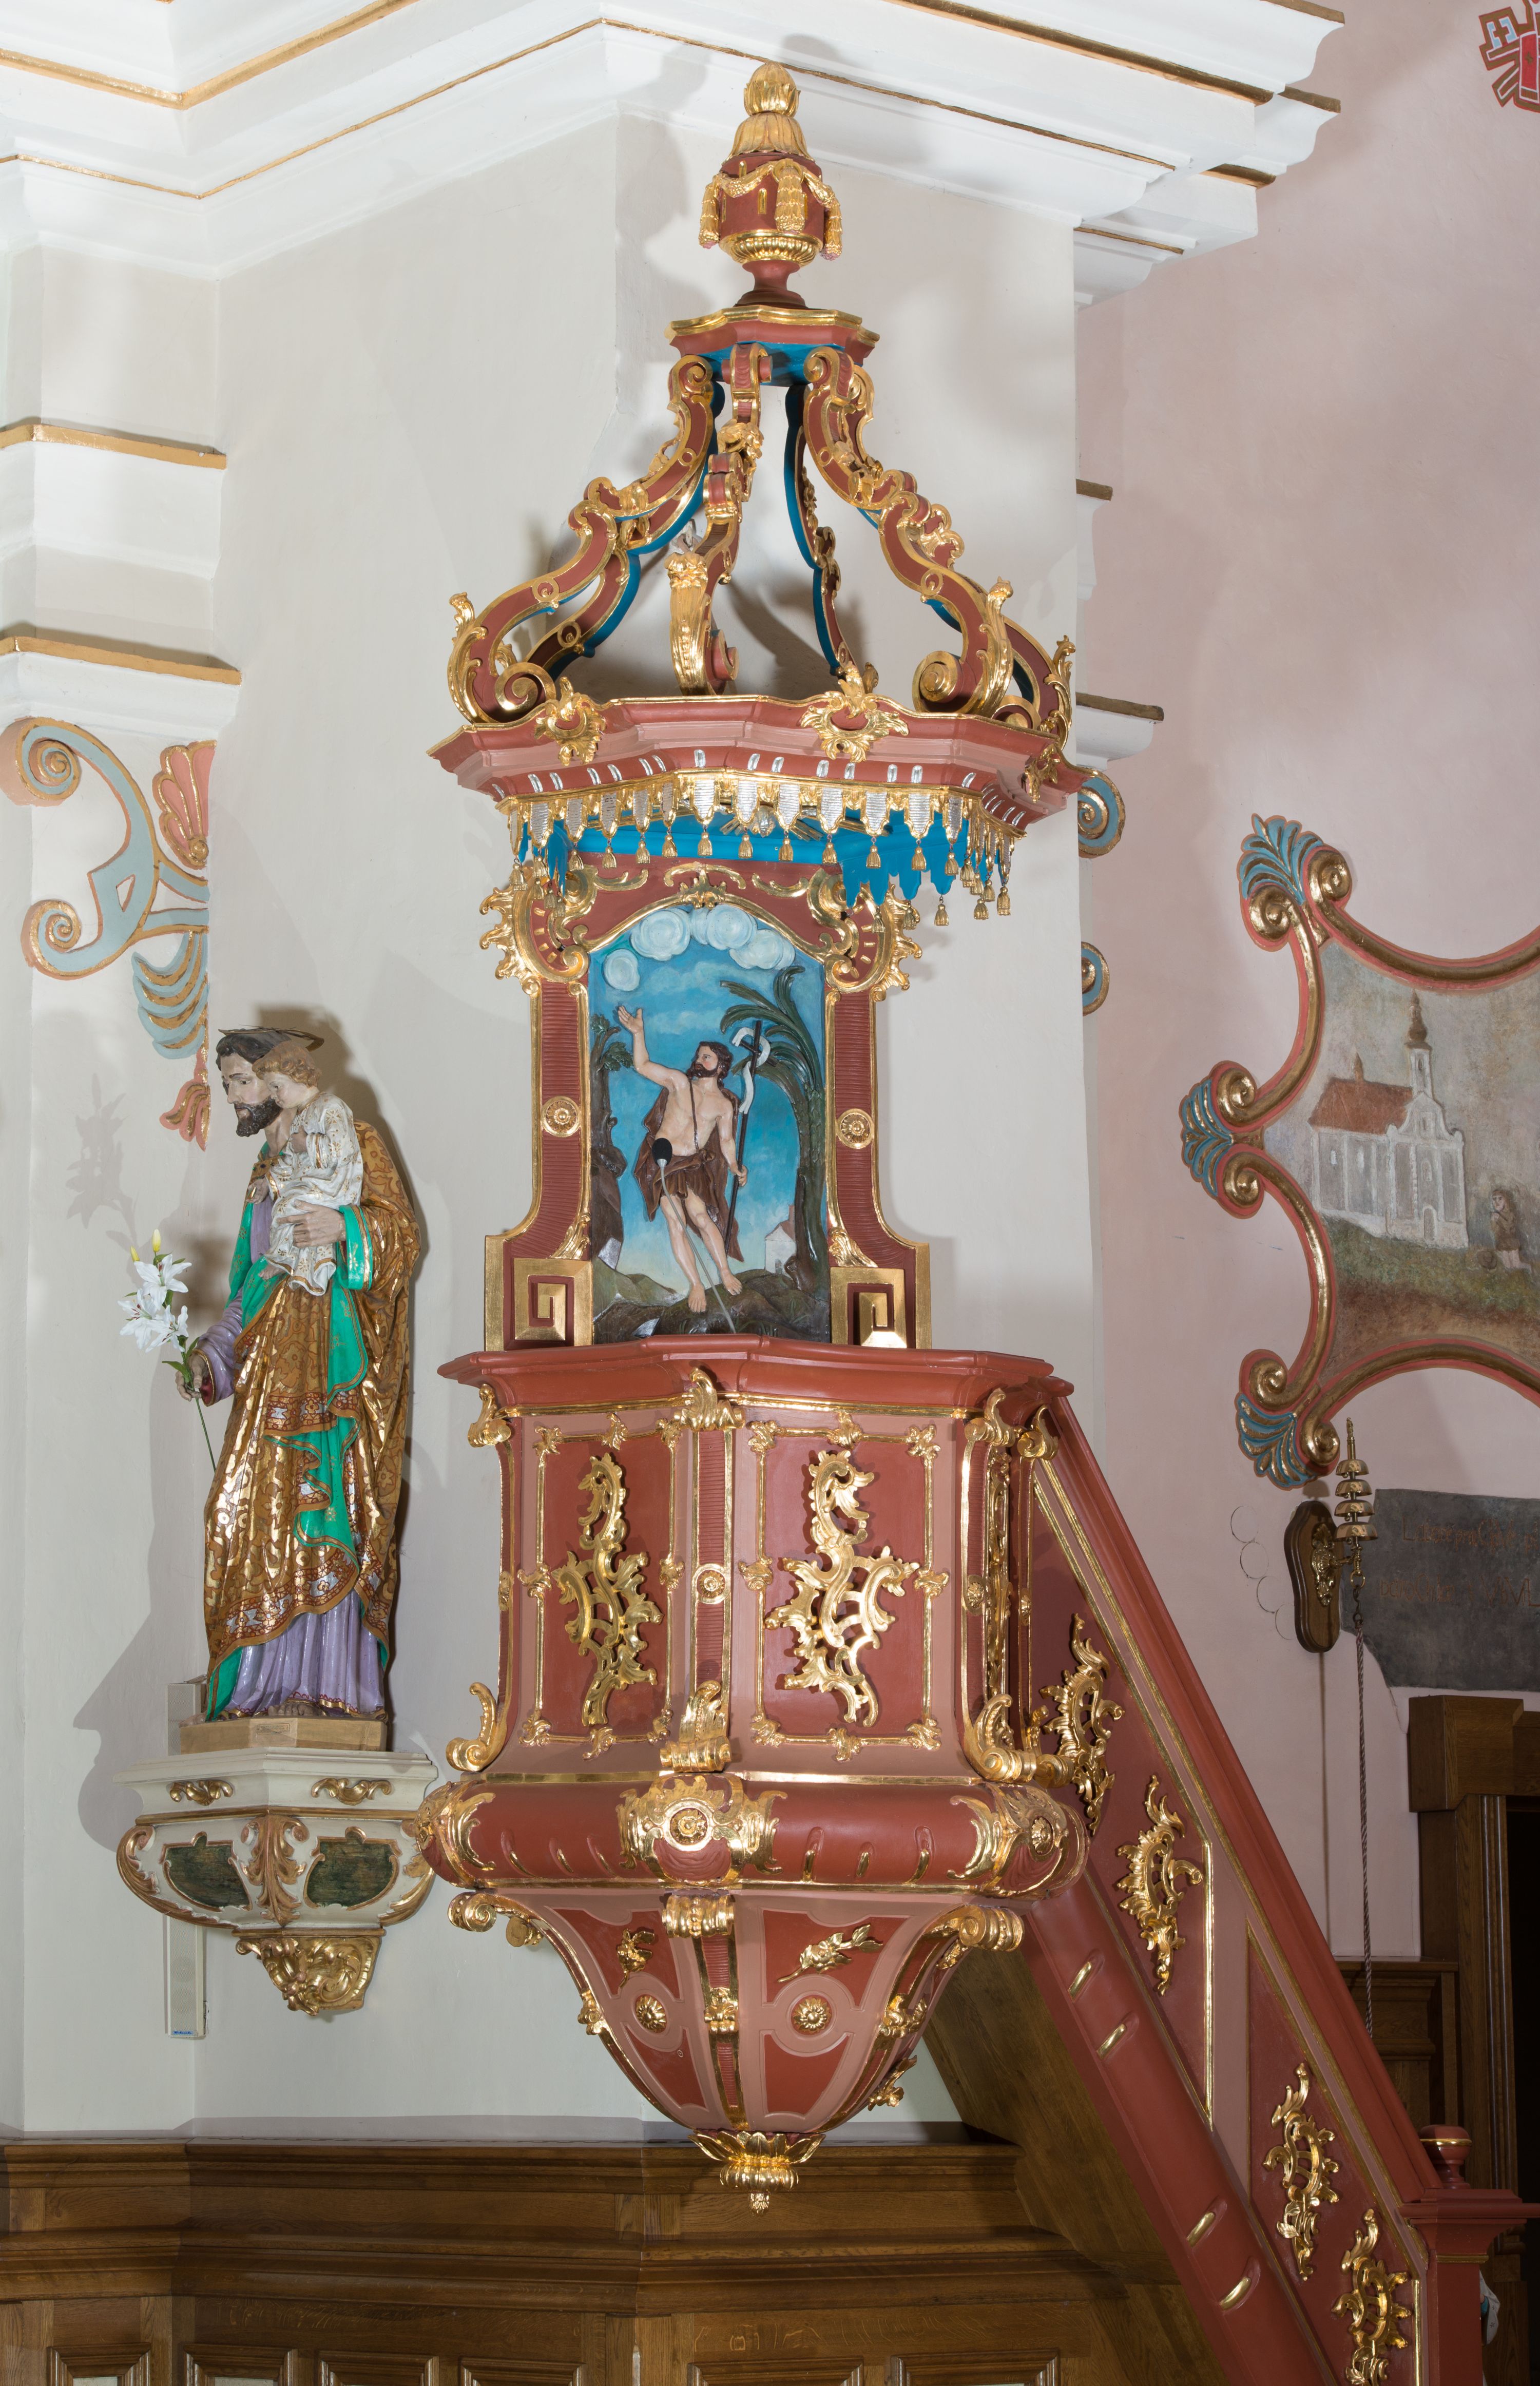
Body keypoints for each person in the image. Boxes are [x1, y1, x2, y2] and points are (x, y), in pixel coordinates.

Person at [179, 1030, 417, 1722]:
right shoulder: (264, 1173)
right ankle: (258, 1687)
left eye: (241, 1080)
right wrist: (212, 1357)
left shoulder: (352, 1138)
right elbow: (250, 1286)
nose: (234, 1096)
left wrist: (346, 1228)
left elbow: (401, 1239)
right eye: (227, 1083)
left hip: (335, 1367)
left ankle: (331, 1687)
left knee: (326, 1509)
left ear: (276, 1079)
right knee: (241, 1510)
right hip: (267, 1376)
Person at [617, 1006, 746, 1313]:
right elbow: (643, 1065)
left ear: (721, 1066)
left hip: (693, 1165)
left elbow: (726, 1141)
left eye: (707, 1057)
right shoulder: (679, 1082)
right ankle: (696, 1284)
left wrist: (734, 1166)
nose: (699, 1061)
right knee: (676, 1221)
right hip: (664, 1161)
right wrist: (638, 1033)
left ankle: (724, 1271)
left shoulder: (724, 1105)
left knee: (702, 1218)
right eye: (699, 1056)